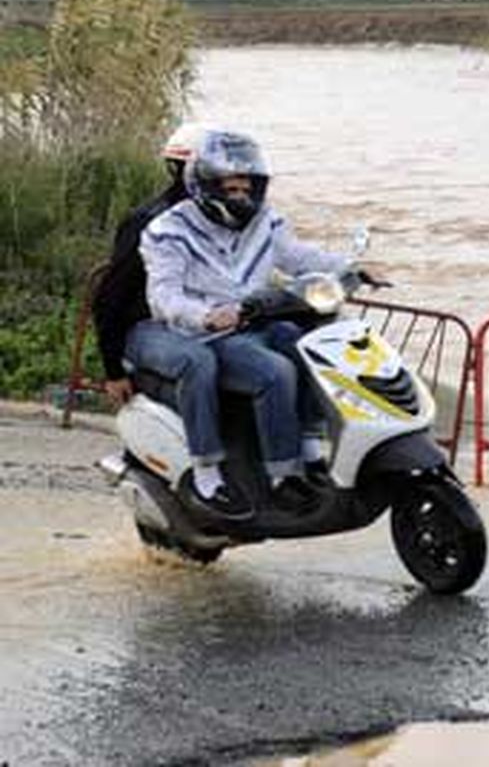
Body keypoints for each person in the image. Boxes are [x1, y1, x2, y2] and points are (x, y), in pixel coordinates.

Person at [141, 130, 353, 516]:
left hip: (253, 322)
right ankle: (262, 478)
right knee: (274, 373)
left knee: (304, 345)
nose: (241, 194)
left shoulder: (265, 221)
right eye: (231, 186)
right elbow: (163, 296)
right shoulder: (168, 231)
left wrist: (350, 268)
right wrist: (206, 316)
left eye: (247, 185)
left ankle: (309, 449)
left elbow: (298, 256)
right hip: (208, 334)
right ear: (205, 185)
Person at [92, 123, 256, 519]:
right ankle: (207, 474)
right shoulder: (153, 223)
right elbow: (110, 297)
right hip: (149, 330)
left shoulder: (225, 219)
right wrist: (113, 369)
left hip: (196, 325)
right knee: (198, 362)